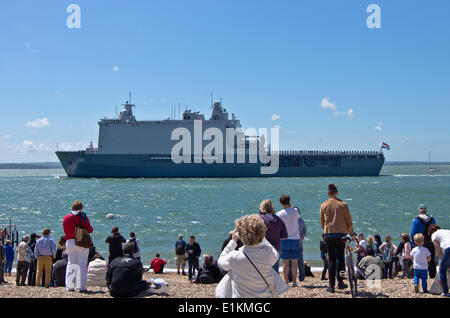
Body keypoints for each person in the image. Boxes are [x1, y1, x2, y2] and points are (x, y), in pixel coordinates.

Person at [217, 214, 282, 298]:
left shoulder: (235, 257)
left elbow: (220, 261)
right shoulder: (269, 254)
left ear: (241, 235)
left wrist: (233, 241)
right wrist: (261, 237)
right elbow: (274, 252)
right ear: (262, 232)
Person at [320, 184, 355, 293]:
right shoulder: (343, 204)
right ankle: (340, 282)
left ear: (328, 193)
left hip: (329, 234)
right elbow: (348, 221)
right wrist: (352, 233)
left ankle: (331, 286)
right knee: (340, 258)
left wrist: (326, 231)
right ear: (337, 192)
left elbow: (322, 222)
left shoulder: (324, 205)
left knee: (331, 259)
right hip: (341, 234)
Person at [63, 200, 94, 292]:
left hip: (70, 241)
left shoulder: (66, 218)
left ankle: (70, 286)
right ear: (81, 208)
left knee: (71, 263)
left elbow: (65, 230)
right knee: (82, 264)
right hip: (81, 242)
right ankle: (81, 287)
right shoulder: (84, 217)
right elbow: (90, 230)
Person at [276, 194, 300, 287]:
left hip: (284, 239)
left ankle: (286, 282)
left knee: (285, 262)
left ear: (281, 203)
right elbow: (297, 216)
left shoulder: (279, 214)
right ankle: (294, 282)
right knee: (294, 261)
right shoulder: (295, 211)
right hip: (295, 238)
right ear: (289, 201)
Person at [258, 199, 287, 273]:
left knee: (262, 272)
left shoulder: (259, 219)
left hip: (262, 248)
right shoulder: (279, 219)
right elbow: (284, 235)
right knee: (275, 272)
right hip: (276, 248)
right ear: (272, 207)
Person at [411, 204, 437, 278]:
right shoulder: (432, 219)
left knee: (419, 259)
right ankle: (432, 275)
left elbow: (413, 232)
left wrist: (413, 243)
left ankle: (419, 275)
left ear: (419, 210)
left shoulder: (416, 220)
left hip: (420, 242)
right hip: (430, 241)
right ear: (426, 210)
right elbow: (435, 229)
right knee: (431, 259)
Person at [429, 224, 450, 297]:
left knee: (442, 270)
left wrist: (444, 263)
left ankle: (445, 292)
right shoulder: (447, 231)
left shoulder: (434, 235)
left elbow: (439, 251)